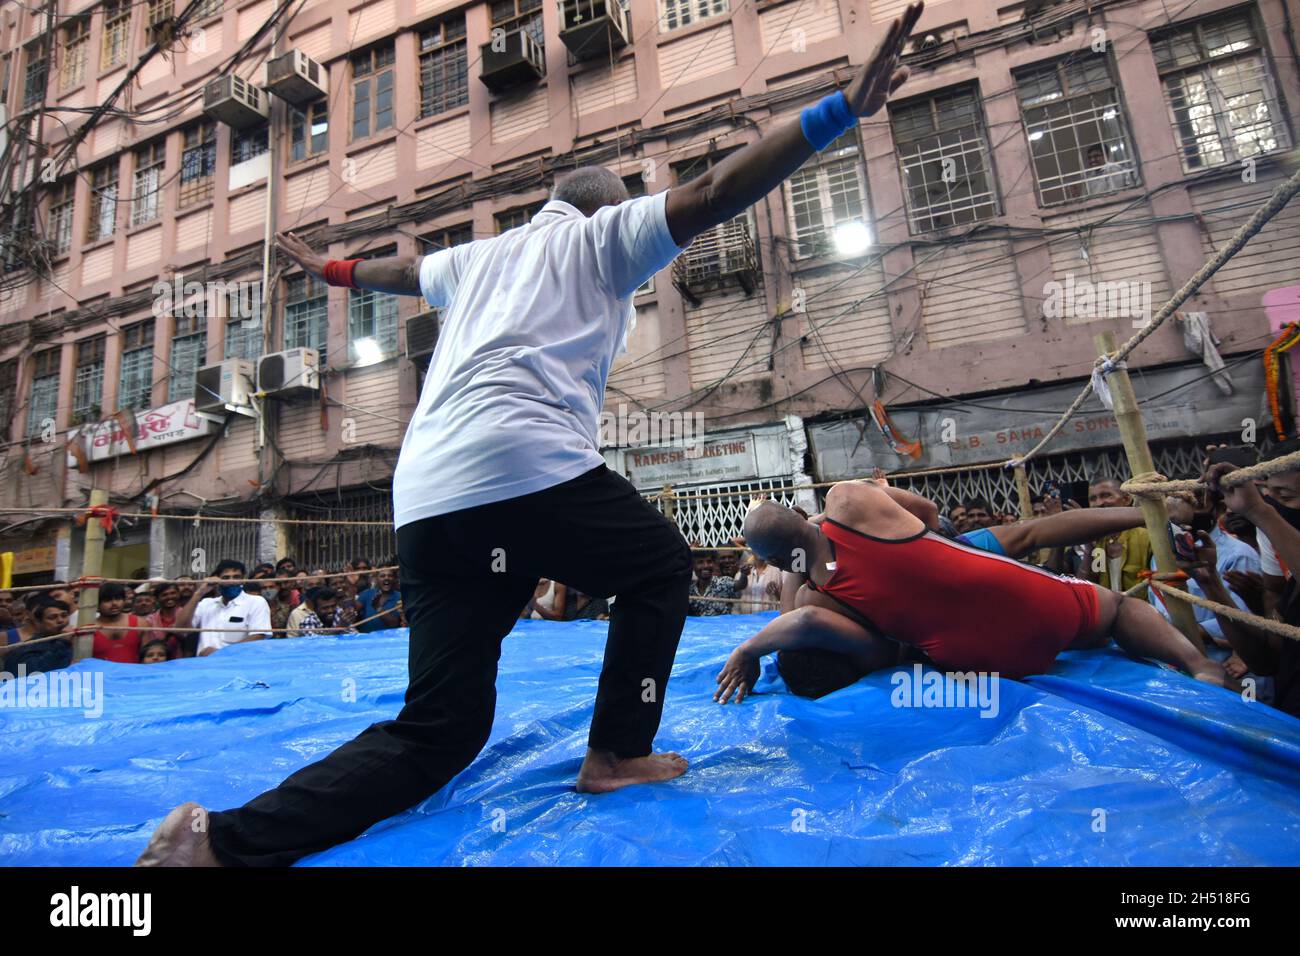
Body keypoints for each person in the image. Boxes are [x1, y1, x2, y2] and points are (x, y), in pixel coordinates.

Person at [135, 4, 927, 867]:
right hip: (519, 462)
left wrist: (326, 269)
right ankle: (617, 750)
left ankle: (216, 844)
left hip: (429, 493)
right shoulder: (600, 236)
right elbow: (708, 194)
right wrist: (839, 109)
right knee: (660, 563)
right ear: (601, 209)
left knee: (439, 730)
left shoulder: (476, 258)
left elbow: (395, 273)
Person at [714, 486, 1227, 703]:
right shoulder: (847, 498)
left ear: (776, 563)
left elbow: (800, 625)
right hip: (987, 578)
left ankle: (1152, 517)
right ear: (801, 516)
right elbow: (930, 513)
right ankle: (1199, 665)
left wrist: (747, 648)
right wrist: (923, 545)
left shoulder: (816, 597)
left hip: (976, 659)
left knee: (1028, 536)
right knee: (1113, 607)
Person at [1203, 461, 1300, 716]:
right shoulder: (1291, 587)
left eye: (1286, 497)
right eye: (1269, 494)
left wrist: (1259, 511)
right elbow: (1266, 661)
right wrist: (1210, 582)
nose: (1273, 504)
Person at [174, 560, 272, 656]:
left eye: (236, 577)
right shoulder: (206, 604)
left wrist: (220, 654)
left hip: (238, 665)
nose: (231, 581)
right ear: (218, 580)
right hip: (204, 666)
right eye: (226, 577)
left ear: (243, 579)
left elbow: (258, 636)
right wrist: (199, 593)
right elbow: (180, 629)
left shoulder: (256, 602)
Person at [1082, 477, 1152, 593]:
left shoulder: (1146, 537)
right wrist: (1089, 548)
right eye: (1093, 499)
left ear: (1126, 500)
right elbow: (1092, 582)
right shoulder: (1100, 543)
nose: (1099, 503)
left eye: (1106, 495)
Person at [1, 597, 73, 675]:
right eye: (52, 617)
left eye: (64, 615)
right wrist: (62, 643)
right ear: (38, 622)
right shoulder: (25, 649)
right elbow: (31, 672)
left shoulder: (76, 640)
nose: (60, 620)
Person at [91, 583, 157, 664]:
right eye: (107, 600)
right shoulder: (89, 629)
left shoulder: (141, 624)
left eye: (118, 599)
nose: (114, 603)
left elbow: (148, 658)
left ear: (124, 600)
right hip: (101, 675)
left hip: (134, 674)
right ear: (97, 604)